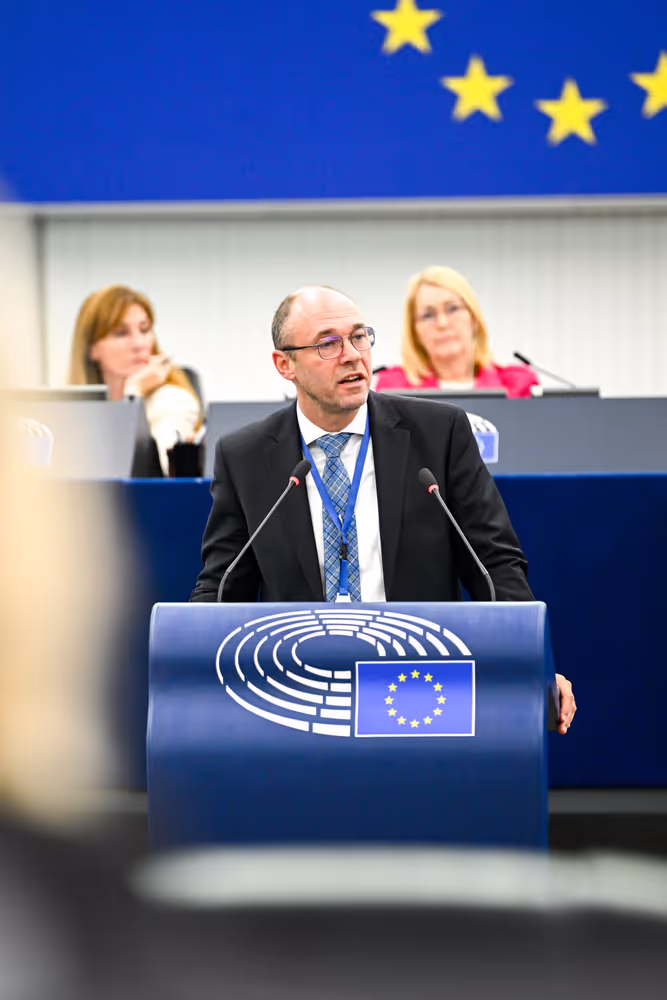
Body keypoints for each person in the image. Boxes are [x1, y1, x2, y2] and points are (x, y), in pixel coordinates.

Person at [191, 285, 575, 733]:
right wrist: (189, 669)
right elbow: (222, 586)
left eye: (360, 337)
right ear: (285, 365)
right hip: (301, 686)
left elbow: (494, 564)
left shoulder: (438, 433)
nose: (353, 355)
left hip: (421, 680)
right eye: (328, 343)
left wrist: (533, 663)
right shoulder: (247, 456)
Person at [68, 285, 201, 475]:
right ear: (92, 348)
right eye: (121, 333)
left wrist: (132, 394)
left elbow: (152, 475)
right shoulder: (79, 409)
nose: (139, 344)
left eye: (145, 330)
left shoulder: (172, 401)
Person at [374, 266, 538, 397]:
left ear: (473, 317)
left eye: (452, 309)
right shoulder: (395, 388)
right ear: (414, 331)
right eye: (428, 315)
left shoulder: (517, 384)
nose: (442, 323)